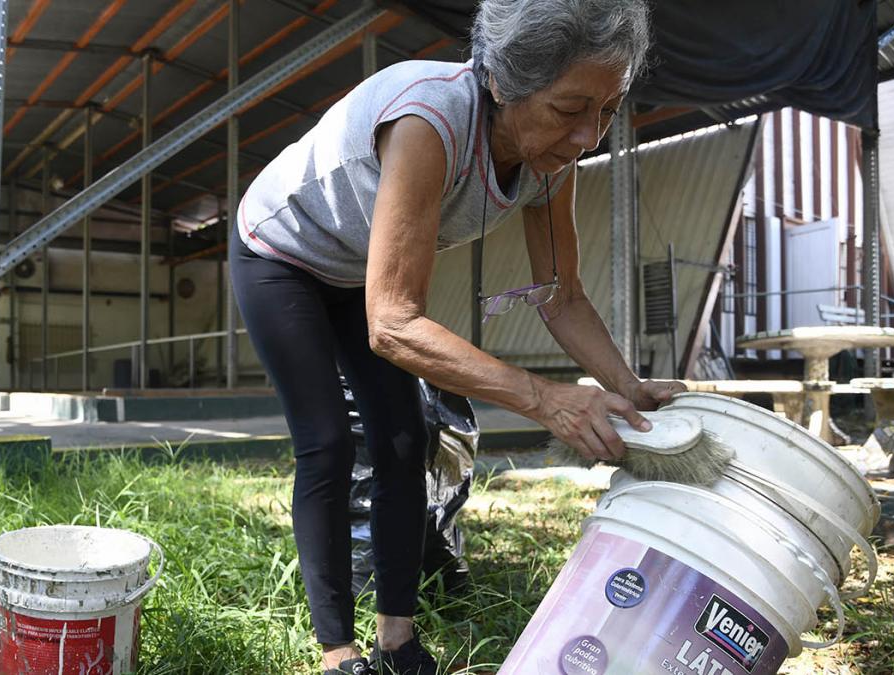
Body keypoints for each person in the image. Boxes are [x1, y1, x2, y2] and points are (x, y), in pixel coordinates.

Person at [229, 1, 683, 672]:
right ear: (503, 82)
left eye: (607, 110)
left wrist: (627, 385)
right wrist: (548, 399)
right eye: (569, 110)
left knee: (407, 436)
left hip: (358, 270)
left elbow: (561, 292)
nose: (589, 135)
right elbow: (393, 323)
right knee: (326, 440)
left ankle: (397, 637)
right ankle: (337, 650)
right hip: (281, 252)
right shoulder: (429, 123)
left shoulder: (552, 161)